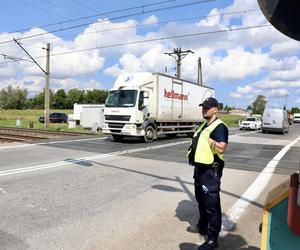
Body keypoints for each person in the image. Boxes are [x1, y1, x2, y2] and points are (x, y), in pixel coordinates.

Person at [186, 97, 228, 250]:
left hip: (211, 171)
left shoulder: (219, 127)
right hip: (200, 170)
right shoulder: (204, 126)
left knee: (212, 205)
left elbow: (222, 148)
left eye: (207, 107)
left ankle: (212, 239)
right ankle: (203, 226)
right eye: (203, 107)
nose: (204, 109)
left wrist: (210, 142)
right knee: (201, 201)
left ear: (215, 109)